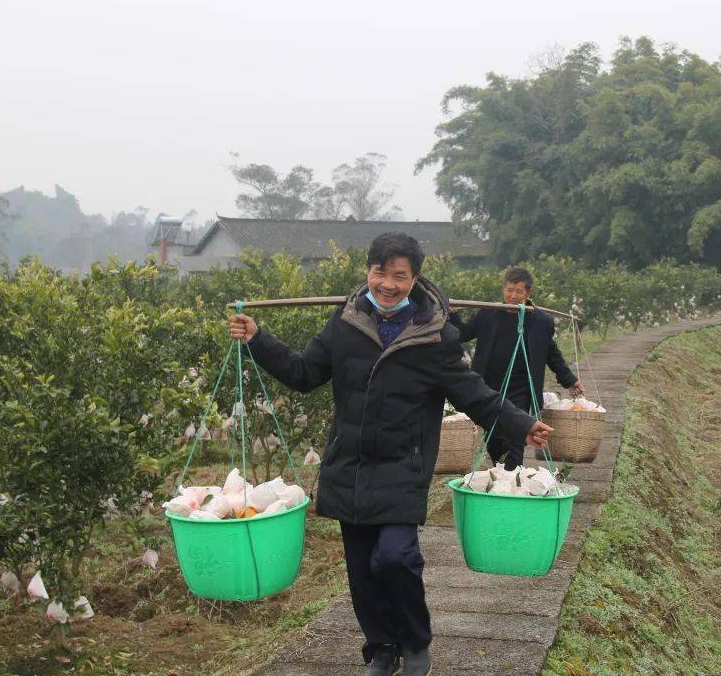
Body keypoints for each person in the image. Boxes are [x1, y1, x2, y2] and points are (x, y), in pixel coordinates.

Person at [228, 233, 553, 676]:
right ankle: (381, 648)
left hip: (405, 464)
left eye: (400, 275)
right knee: (362, 573)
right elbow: (303, 373)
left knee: (396, 556)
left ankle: (415, 642)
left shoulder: (434, 337)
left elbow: (475, 395)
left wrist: (523, 423)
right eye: (380, 273)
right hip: (350, 467)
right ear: (368, 273)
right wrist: (258, 339)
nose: (388, 284)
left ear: (414, 279)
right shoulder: (345, 325)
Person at [448, 267, 583, 470]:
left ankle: (514, 480)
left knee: (516, 437)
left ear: (528, 294)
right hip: (489, 387)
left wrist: (570, 379)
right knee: (493, 438)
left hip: (521, 388)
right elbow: (463, 334)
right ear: (504, 289)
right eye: (509, 290)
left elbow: (551, 353)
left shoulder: (540, 321)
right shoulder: (489, 313)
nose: (512, 296)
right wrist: (453, 316)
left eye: (518, 292)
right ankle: (502, 475)